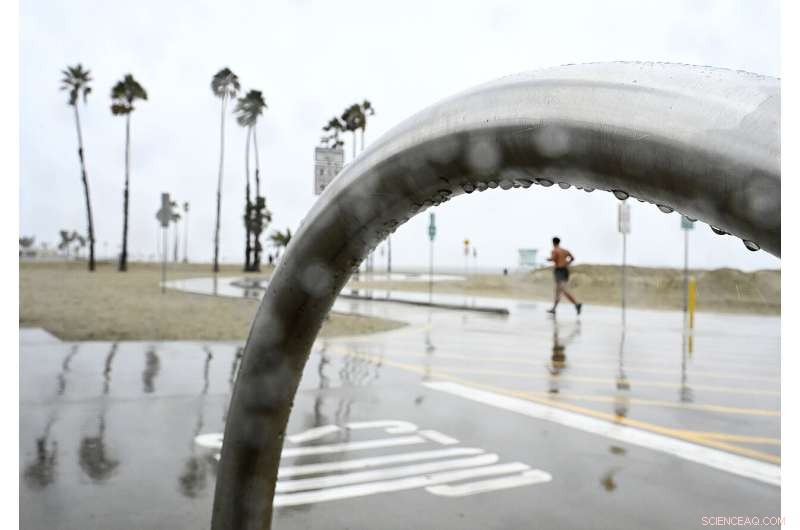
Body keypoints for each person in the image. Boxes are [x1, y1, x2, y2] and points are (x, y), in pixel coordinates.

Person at [546, 237, 582, 315]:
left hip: (559, 271)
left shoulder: (554, 250)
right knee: (557, 290)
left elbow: (553, 258)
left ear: (553, 242)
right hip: (565, 270)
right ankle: (554, 309)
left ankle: (576, 304)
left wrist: (548, 259)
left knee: (563, 289)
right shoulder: (565, 251)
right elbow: (572, 258)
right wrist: (567, 263)